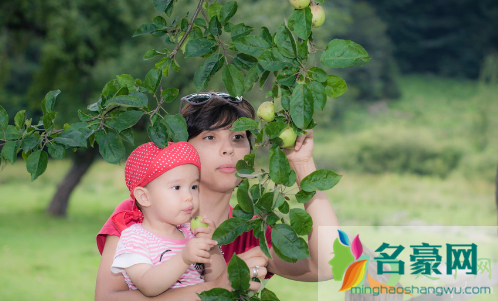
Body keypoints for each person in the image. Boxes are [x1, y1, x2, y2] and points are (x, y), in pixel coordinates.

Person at [95, 92, 340, 301]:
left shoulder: (252, 229)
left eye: (238, 137)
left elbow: (329, 265)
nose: (228, 149)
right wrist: (216, 287)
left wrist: (302, 163)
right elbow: (108, 298)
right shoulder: (140, 213)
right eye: (210, 137)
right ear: (184, 147)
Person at [109, 141, 225, 297]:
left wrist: (212, 246)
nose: (189, 196)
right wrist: (184, 258)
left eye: (193, 187)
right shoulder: (134, 238)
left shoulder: (191, 232)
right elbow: (148, 285)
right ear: (144, 197)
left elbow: (220, 284)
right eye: (177, 187)